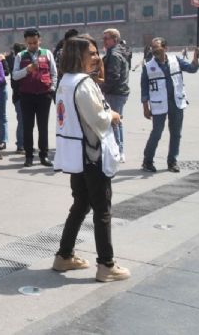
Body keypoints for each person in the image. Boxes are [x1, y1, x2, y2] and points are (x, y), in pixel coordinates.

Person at [52, 36, 130, 283]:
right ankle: (106, 265)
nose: (97, 57)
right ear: (79, 56)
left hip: (76, 154)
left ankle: (64, 255)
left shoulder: (65, 81)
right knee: (102, 210)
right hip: (91, 154)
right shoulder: (83, 83)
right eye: (93, 53)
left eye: (97, 53)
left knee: (81, 205)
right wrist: (114, 115)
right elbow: (97, 118)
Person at [141, 38, 199, 173]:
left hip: (176, 101)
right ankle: (147, 160)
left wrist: (196, 57)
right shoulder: (148, 66)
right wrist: (145, 107)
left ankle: (172, 161)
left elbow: (192, 68)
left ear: (165, 48)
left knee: (176, 133)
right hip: (158, 104)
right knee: (156, 133)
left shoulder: (176, 60)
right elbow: (144, 89)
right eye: (153, 48)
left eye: (157, 48)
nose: (154, 51)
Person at [12, 28, 57, 167]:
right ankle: (29, 156)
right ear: (25, 41)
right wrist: (27, 70)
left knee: (43, 127)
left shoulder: (47, 53)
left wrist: (52, 88)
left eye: (35, 42)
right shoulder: (20, 56)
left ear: (39, 40)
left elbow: (54, 73)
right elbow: (14, 75)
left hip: (44, 95)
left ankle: (44, 156)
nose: (32, 45)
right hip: (27, 96)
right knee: (28, 127)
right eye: (30, 43)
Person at [100, 29, 130, 158]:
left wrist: (102, 88)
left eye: (107, 38)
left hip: (114, 92)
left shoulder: (114, 55)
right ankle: (119, 148)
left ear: (115, 39)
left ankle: (118, 150)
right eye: (104, 38)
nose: (104, 41)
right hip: (120, 91)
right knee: (117, 120)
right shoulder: (119, 51)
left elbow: (113, 76)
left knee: (114, 121)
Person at [5, 43, 26, 154]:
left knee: (26, 121)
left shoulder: (18, 64)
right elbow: (14, 84)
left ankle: (24, 144)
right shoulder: (16, 66)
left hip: (21, 96)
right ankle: (21, 145)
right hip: (19, 97)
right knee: (22, 121)